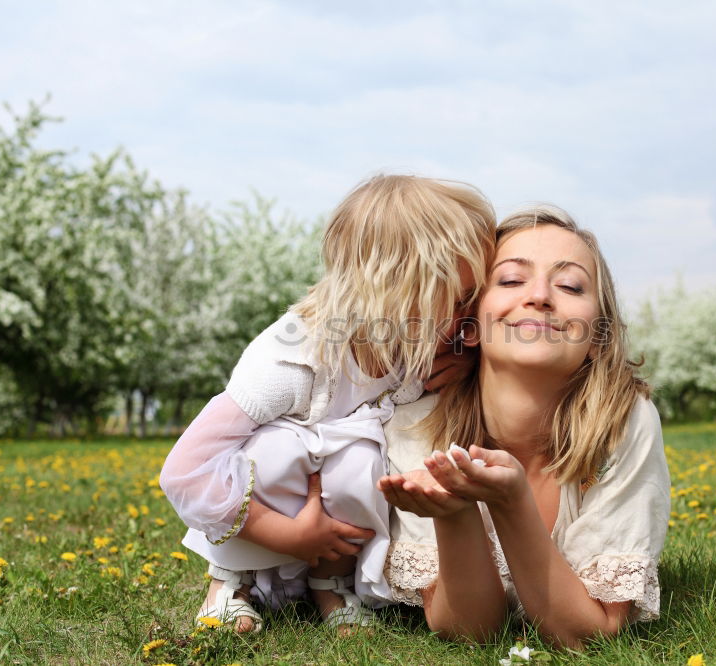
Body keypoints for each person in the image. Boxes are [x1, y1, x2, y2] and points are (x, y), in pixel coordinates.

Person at [159, 174, 495, 633]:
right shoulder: (292, 359)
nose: (469, 319)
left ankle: (330, 584)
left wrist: (463, 364)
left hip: (329, 534)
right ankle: (229, 583)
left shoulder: (412, 351)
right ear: (396, 291)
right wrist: (287, 535)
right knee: (278, 449)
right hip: (270, 519)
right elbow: (185, 470)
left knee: (361, 456)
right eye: (461, 301)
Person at [377, 207, 670, 648]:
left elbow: (589, 633)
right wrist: (454, 510)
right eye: (512, 280)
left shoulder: (624, 421)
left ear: (597, 337)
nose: (540, 295)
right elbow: (470, 632)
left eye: (570, 285)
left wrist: (512, 503)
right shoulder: (416, 427)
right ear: (470, 325)